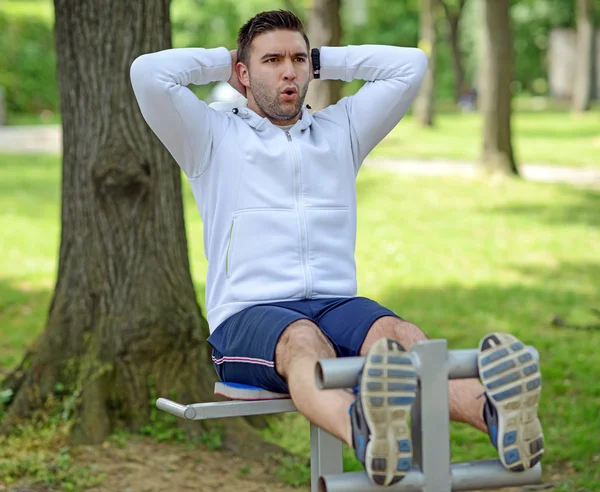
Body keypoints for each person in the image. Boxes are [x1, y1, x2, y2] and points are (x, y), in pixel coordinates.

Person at [130, 9, 544, 487]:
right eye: (271, 61)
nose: (289, 71)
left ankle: (497, 415)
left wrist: (321, 59)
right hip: (248, 314)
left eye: (298, 60)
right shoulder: (210, 137)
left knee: (398, 333)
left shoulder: (341, 131)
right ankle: (366, 431)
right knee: (303, 340)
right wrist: (226, 59)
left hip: (336, 301)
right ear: (242, 74)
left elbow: (409, 64)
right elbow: (149, 73)